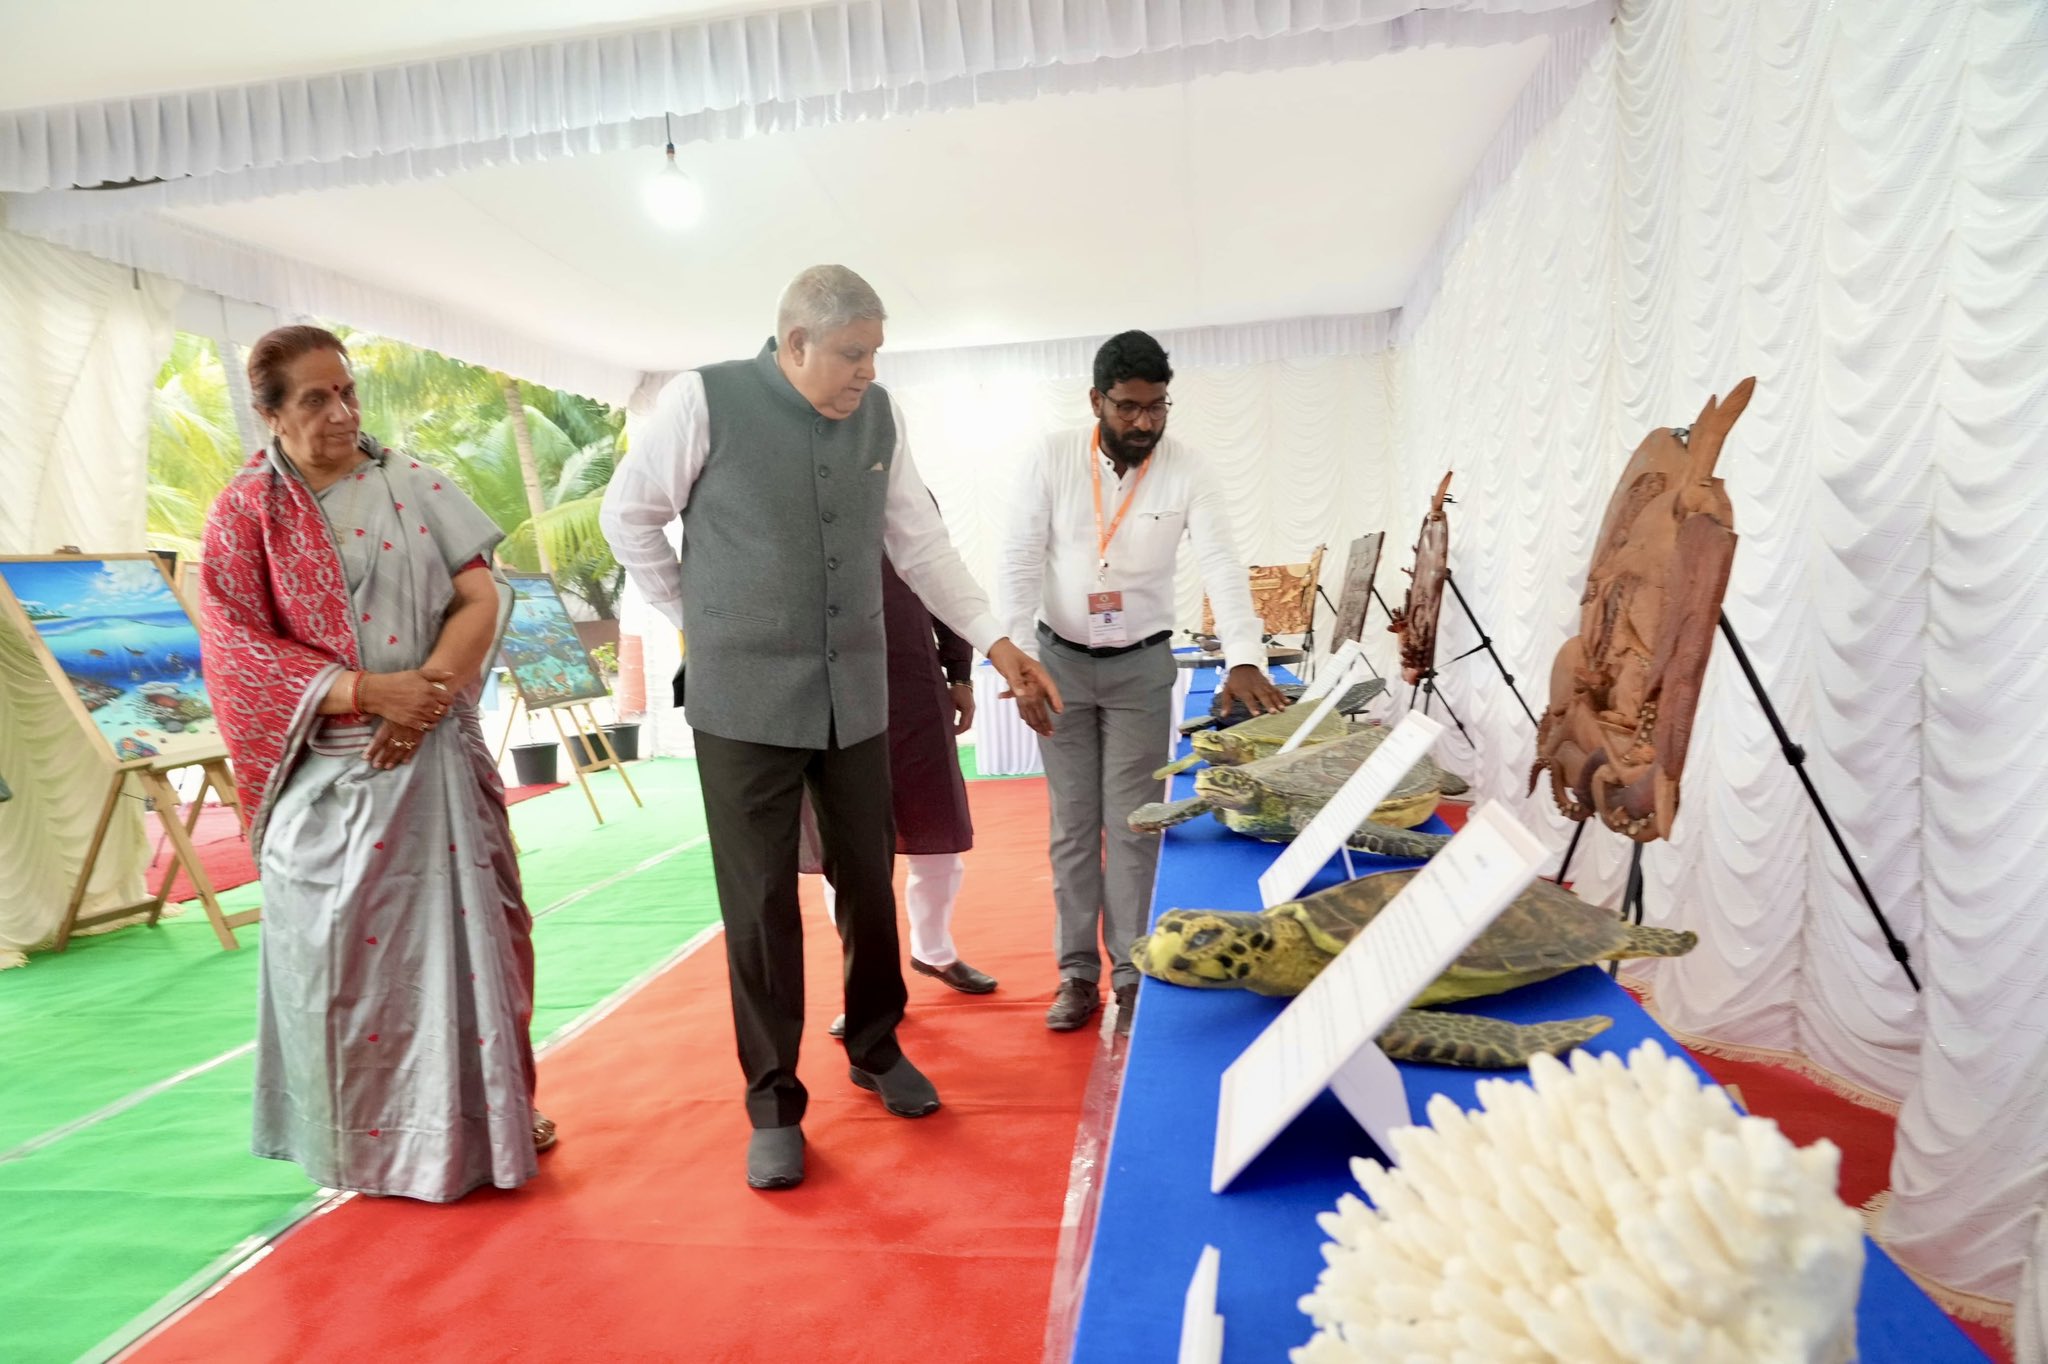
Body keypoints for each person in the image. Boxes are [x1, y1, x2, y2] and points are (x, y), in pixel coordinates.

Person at [600, 265, 1059, 1191]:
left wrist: (999, 645)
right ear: (796, 343)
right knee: (761, 903)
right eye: (853, 353)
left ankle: (879, 1049)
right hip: (742, 706)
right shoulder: (704, 398)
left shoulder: (881, 419)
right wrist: (697, 613)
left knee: (866, 873)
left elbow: (921, 546)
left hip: (855, 694)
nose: (867, 372)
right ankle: (773, 1103)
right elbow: (628, 516)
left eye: (875, 352)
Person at [199, 325, 551, 1203]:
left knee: (486, 949)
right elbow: (235, 648)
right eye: (315, 398)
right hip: (327, 770)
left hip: (434, 758)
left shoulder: (410, 481)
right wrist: (364, 692)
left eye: (347, 392)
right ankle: (364, 1144)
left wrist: (423, 694)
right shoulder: (247, 511)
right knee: (339, 970)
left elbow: (481, 594)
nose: (341, 412)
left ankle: (495, 1116)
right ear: (269, 411)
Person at [996, 330, 1286, 1033]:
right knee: (1072, 825)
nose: (1145, 422)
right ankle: (1075, 975)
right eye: (1128, 407)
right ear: (1096, 400)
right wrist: (1016, 655)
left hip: (1140, 668)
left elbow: (1221, 560)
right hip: (1059, 662)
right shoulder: (1050, 458)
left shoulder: (1188, 468)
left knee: (1132, 824)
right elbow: (1017, 557)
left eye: (1157, 406)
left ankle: (1131, 974)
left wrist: (1243, 654)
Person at [805, 553, 996, 1041]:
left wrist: (960, 674)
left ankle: (933, 951)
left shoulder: (905, 490)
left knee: (938, 831)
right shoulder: (792, 493)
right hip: (827, 692)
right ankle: (868, 985)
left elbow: (942, 579)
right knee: (844, 849)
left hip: (913, 682)